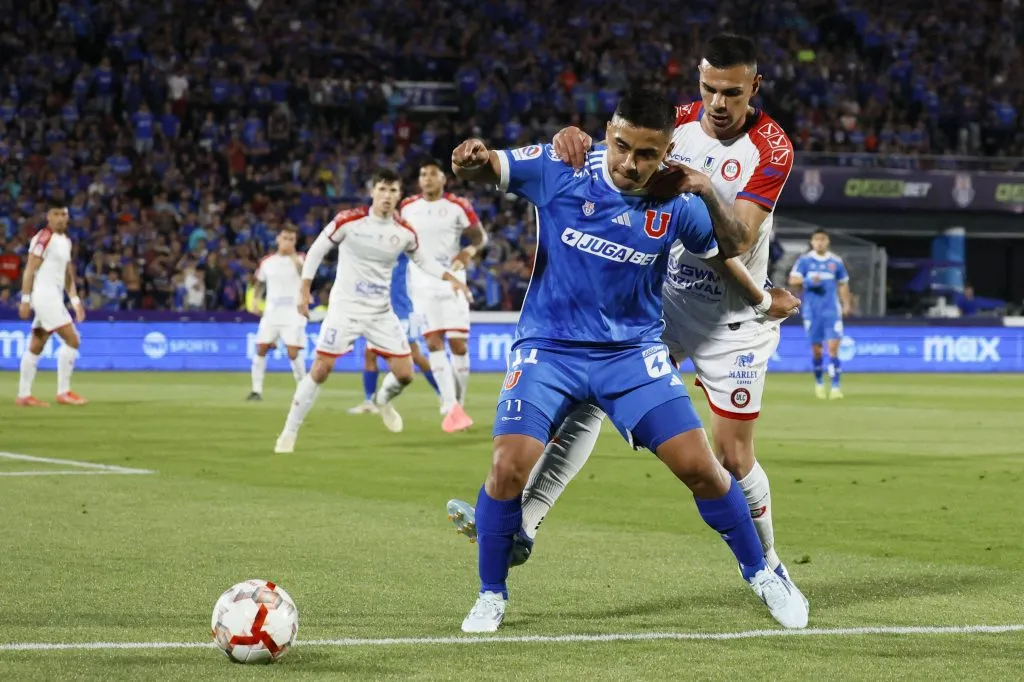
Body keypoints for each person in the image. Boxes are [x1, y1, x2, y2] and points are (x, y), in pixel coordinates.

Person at [448, 34, 807, 604]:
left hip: (732, 310)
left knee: (732, 459)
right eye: (708, 88)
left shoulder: (772, 148)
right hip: (662, 297)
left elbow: (733, 241)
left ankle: (770, 564)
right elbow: (610, 153)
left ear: (754, 88)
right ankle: (522, 526)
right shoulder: (676, 125)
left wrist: (761, 296)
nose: (716, 102)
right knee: (585, 401)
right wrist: (572, 134)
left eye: (731, 93)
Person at [273, 169, 472, 453]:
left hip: (381, 312)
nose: (387, 196)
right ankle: (289, 432)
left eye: (393, 191)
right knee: (320, 369)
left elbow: (424, 261)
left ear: (399, 195)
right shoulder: (349, 221)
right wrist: (304, 290)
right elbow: (316, 251)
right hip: (346, 309)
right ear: (372, 192)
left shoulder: (403, 232)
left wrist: (451, 278)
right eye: (382, 189)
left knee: (405, 374)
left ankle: (381, 400)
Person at [399, 160, 487, 432]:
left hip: (452, 280)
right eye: (422, 174)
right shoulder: (407, 207)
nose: (426, 178)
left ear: (443, 179)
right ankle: (450, 407)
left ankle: (457, 402)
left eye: (432, 174)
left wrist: (467, 253)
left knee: (458, 345)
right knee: (434, 343)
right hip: (420, 282)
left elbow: (480, 238)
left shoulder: (458, 206)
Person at [347, 251, 442, 415]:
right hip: (382, 312)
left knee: (415, 355)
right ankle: (369, 401)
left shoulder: (401, 252)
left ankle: (444, 395)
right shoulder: (377, 255)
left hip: (404, 312)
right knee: (370, 354)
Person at [16, 199, 88, 407]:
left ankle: (24, 395)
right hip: (44, 296)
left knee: (36, 346)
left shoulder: (65, 241)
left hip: (54, 297)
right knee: (73, 340)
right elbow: (30, 268)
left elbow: (67, 273)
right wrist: (25, 299)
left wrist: (75, 300)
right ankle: (63, 392)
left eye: (63, 214)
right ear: (48, 216)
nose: (60, 218)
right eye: (56, 214)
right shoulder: (43, 237)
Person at [788, 229, 851, 399]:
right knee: (817, 351)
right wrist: (808, 280)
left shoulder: (835, 262)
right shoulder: (805, 261)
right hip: (812, 311)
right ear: (812, 242)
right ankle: (819, 383)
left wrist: (846, 305)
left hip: (831, 311)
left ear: (828, 241)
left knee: (833, 349)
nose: (820, 242)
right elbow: (793, 280)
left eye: (823, 239)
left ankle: (836, 387)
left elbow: (843, 284)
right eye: (817, 239)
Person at [247, 226, 308, 401]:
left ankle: (303, 388)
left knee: (292, 352)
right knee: (261, 348)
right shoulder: (267, 262)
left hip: (293, 313)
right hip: (272, 313)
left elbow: (304, 276)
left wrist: (293, 254)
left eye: (291, 239)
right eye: (285, 238)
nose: (287, 242)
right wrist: (255, 300)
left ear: (295, 242)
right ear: (277, 240)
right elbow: (259, 283)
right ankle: (256, 390)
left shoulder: (301, 260)